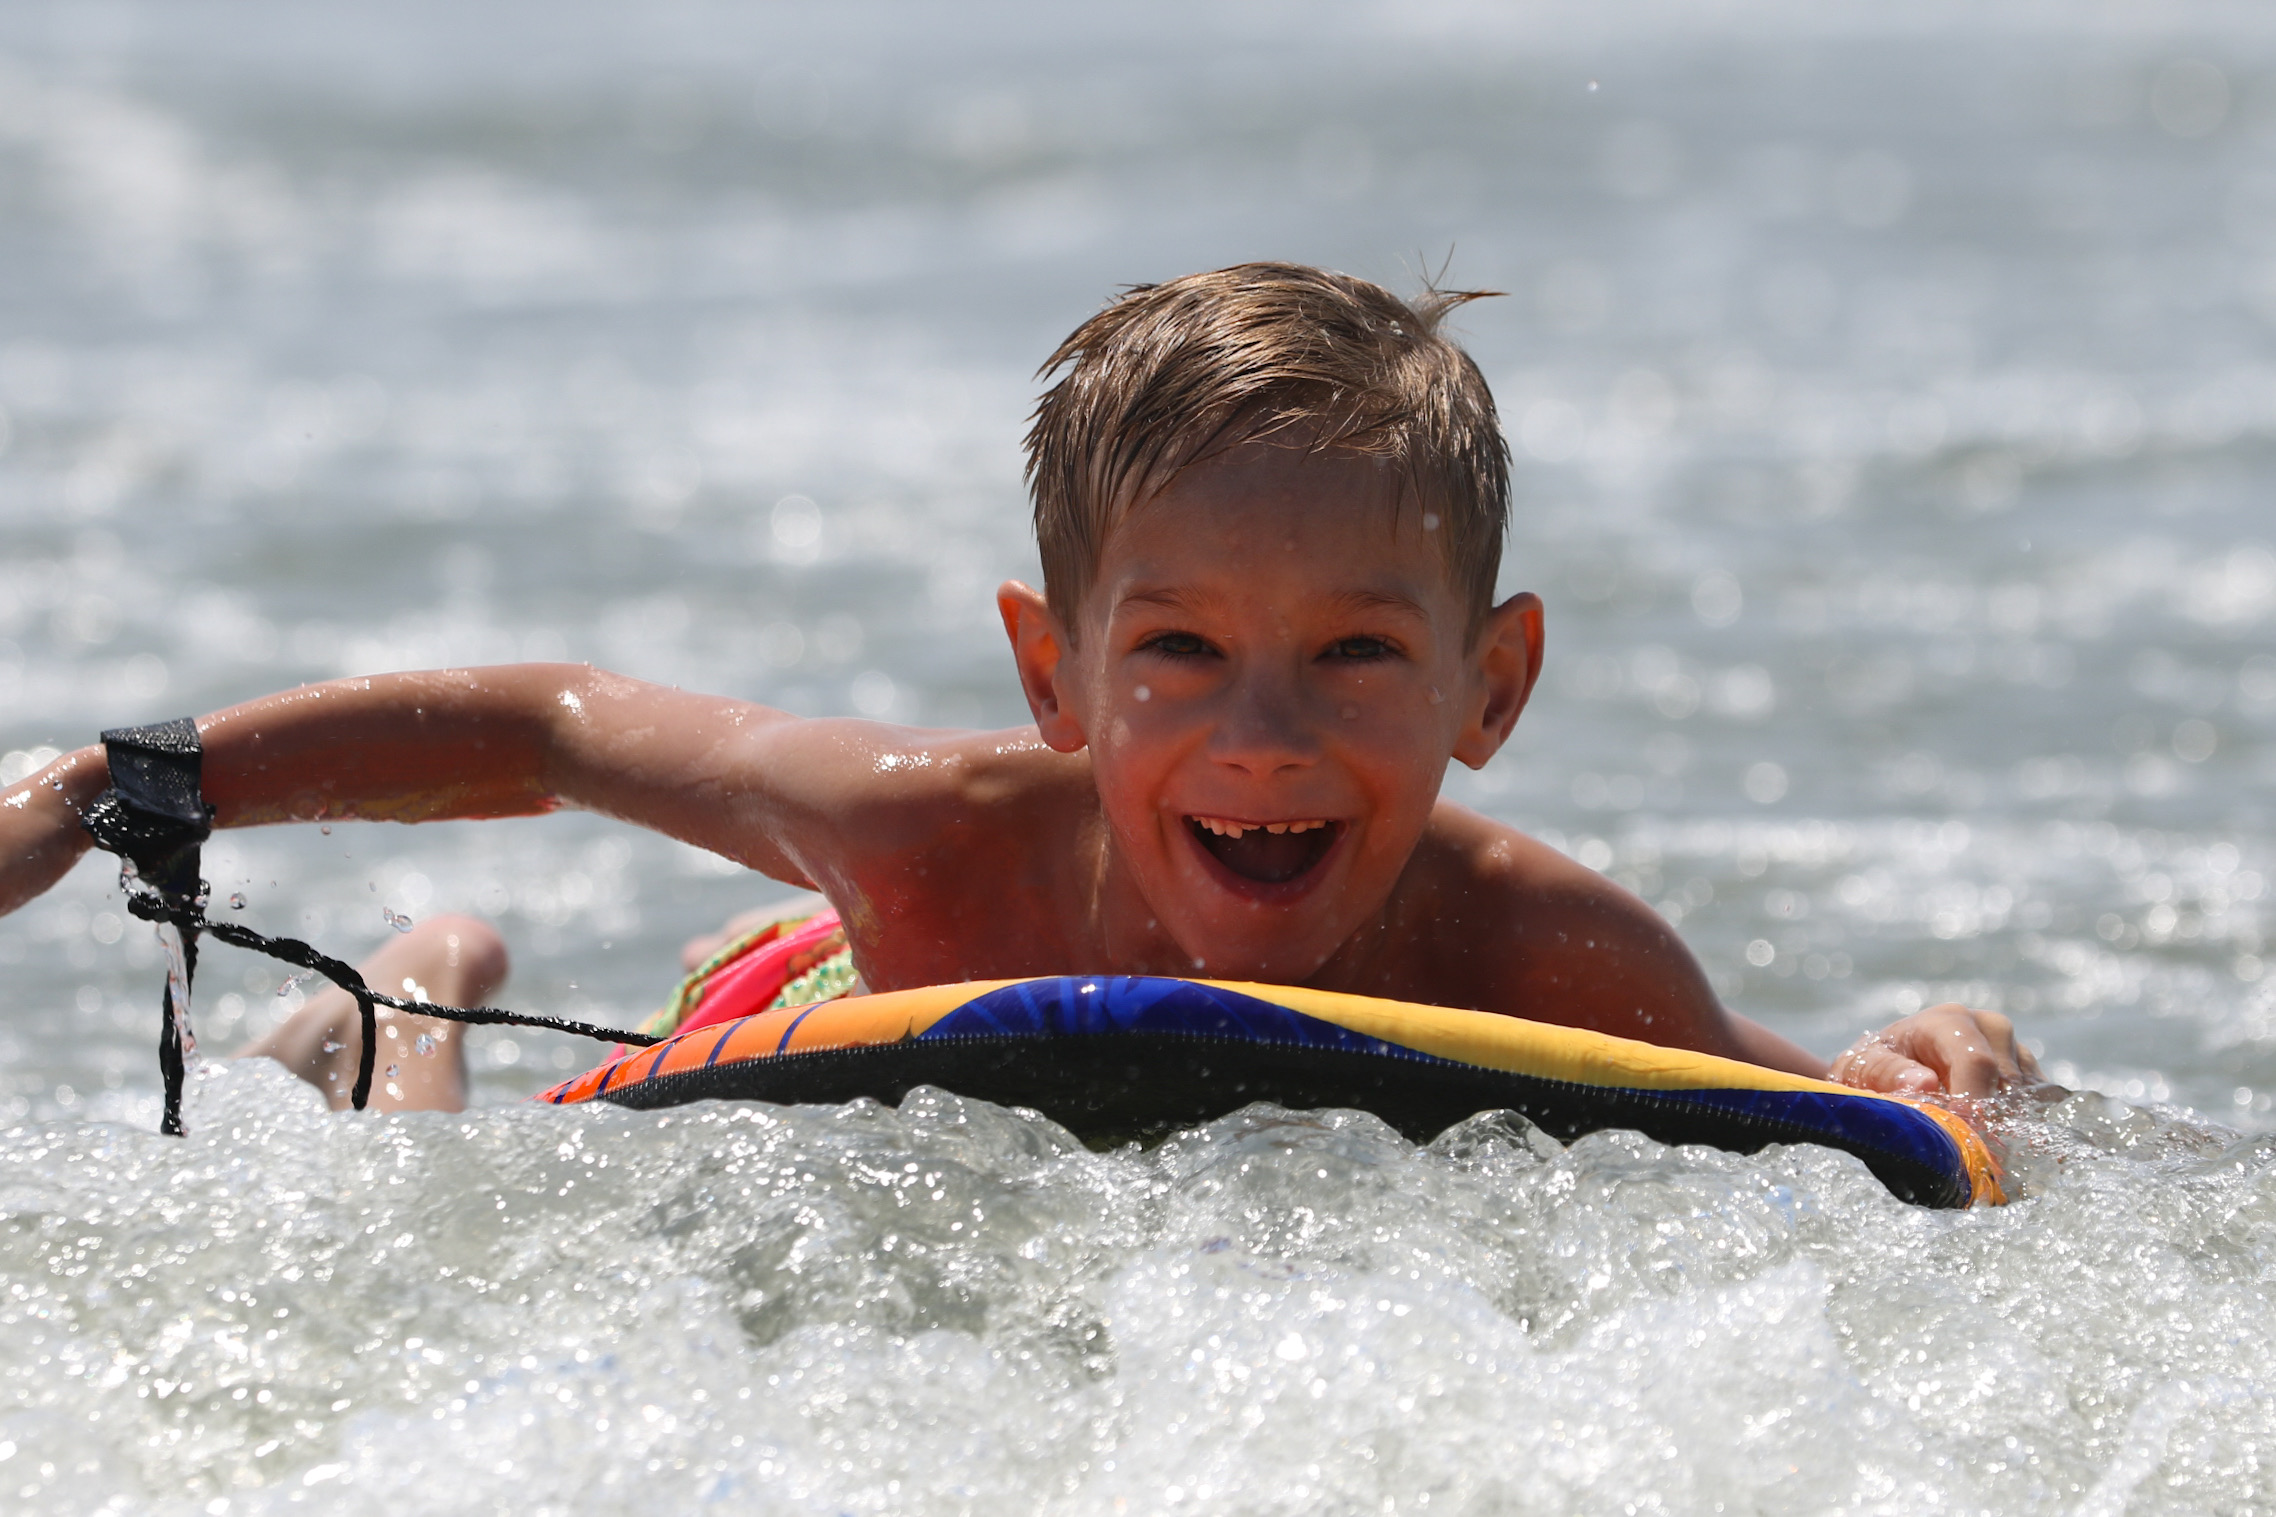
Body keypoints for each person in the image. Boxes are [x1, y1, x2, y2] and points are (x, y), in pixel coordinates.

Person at [0, 263, 2039, 1115]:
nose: (1263, 735)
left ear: (1487, 687)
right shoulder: (927, 827)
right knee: (427, 1183)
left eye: (1355, 652)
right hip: (836, 987)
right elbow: (546, 723)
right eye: (1179, 651)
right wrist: (105, 789)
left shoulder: (1544, 947)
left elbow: (1819, 1119)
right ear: (1052, 674)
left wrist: (1930, 1069)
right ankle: (415, 997)